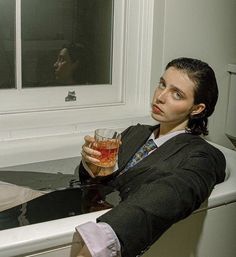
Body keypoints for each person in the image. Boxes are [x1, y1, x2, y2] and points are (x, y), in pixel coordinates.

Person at [75, 57, 226, 257]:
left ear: (197, 109)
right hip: (85, 206)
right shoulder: (134, 133)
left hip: (113, 224)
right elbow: (94, 180)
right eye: (162, 84)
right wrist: (89, 164)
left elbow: (176, 191)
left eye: (177, 94)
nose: (160, 97)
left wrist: (107, 236)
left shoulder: (202, 156)